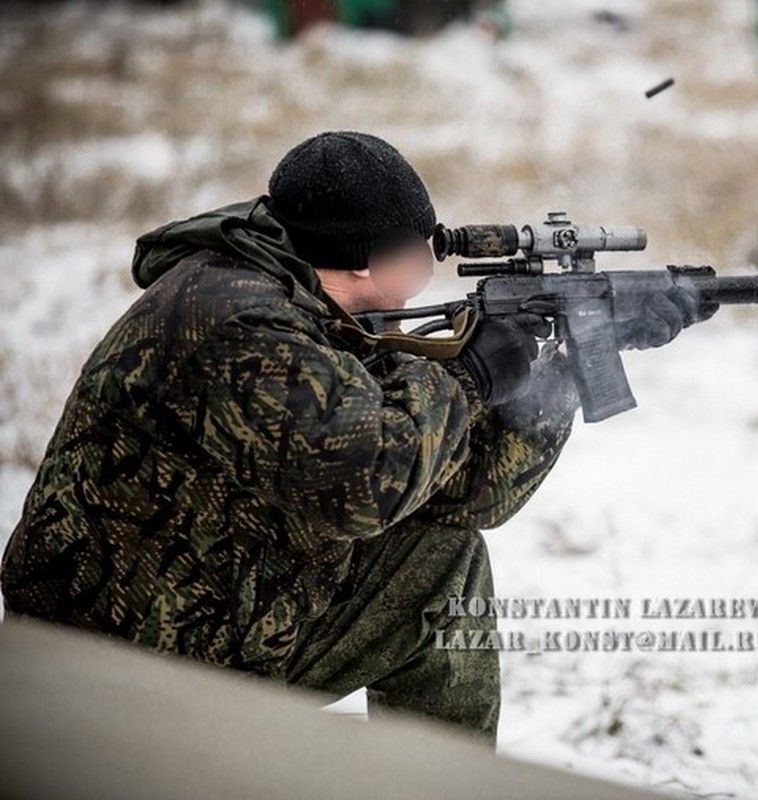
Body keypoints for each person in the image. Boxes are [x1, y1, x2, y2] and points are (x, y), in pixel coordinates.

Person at [0, 131, 714, 747]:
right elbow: (364, 490)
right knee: (436, 570)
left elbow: (462, 499)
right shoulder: (238, 323)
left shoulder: (306, 297)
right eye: (423, 247)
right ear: (373, 258)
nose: (431, 267)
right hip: (116, 667)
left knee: (442, 557)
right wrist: (464, 377)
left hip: (208, 606)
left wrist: (560, 368)